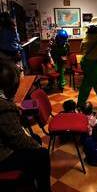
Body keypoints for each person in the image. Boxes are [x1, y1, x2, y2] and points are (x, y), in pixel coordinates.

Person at [0, 59, 51, 192]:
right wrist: (37, 147)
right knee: (42, 153)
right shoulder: (4, 108)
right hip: (2, 157)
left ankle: (28, 179)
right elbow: (18, 139)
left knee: (34, 137)